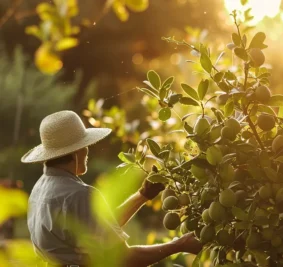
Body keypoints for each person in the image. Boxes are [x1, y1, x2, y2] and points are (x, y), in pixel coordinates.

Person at [21, 110, 202, 267]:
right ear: (77, 152)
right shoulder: (78, 195)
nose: (87, 152)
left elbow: (97, 227)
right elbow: (125, 260)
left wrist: (143, 195)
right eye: (85, 146)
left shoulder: (39, 189)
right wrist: (179, 244)